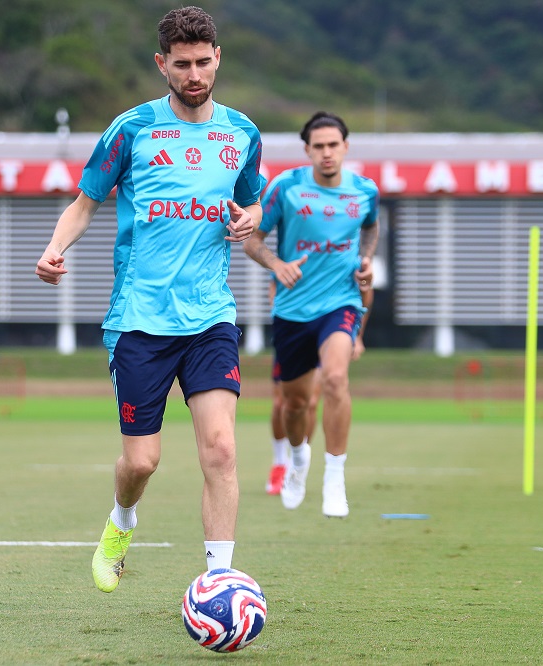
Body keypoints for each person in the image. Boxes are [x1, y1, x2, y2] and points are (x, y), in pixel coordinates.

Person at [35, 6, 266, 592]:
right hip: (139, 319)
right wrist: (54, 249)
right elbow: (85, 202)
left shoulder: (242, 133)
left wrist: (251, 217)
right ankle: (121, 523)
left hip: (210, 316)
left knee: (220, 449)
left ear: (219, 60)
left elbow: (255, 199)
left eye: (204, 62)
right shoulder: (132, 129)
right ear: (162, 64)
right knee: (142, 462)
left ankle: (219, 580)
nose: (194, 74)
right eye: (182, 64)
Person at [244, 111, 378, 518]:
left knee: (337, 379)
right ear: (307, 150)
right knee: (295, 405)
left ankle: (334, 477)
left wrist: (367, 259)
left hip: (340, 304)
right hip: (292, 311)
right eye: (318, 146)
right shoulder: (285, 187)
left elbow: (371, 228)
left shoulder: (365, 191)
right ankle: (298, 461)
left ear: (345, 147)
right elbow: (252, 239)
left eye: (333, 145)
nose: (326, 153)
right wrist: (276, 265)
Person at [265, 280, 372, 495]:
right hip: (295, 325)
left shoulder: (343, 252)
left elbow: (366, 290)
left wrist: (357, 335)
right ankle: (279, 461)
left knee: (312, 402)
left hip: (328, 329)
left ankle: (298, 463)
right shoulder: (296, 250)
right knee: (282, 403)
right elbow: (274, 286)